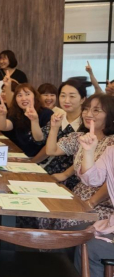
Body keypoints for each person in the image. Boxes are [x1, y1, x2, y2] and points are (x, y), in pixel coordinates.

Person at [66, 128, 114, 277]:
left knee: (91, 247)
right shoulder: (111, 151)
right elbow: (92, 179)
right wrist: (88, 150)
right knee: (76, 233)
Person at [40, 93, 114, 231]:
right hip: (79, 194)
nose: (88, 114)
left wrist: (91, 203)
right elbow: (51, 150)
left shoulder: (111, 143)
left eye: (96, 110)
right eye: (86, 109)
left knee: (67, 220)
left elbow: (109, 182)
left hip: (102, 203)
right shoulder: (80, 137)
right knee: (46, 210)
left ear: (110, 115)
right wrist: (54, 128)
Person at [40, 80, 86, 188]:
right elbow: (44, 144)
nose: (66, 100)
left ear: (83, 99)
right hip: (49, 169)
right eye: (63, 96)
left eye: (72, 96)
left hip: (75, 178)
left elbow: (85, 157)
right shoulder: (58, 117)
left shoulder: (87, 123)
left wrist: (65, 174)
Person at [0, 83, 52, 157]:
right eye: (19, 95)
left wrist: (34, 120)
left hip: (39, 158)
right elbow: (3, 127)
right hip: (20, 154)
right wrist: (2, 115)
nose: (23, 98)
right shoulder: (17, 112)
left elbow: (39, 139)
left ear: (35, 96)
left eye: (27, 94)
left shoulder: (46, 113)